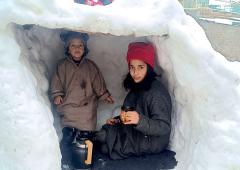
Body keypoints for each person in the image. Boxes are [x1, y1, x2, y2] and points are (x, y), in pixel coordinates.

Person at [96, 42, 172, 160]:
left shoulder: (156, 93)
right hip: (138, 132)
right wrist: (118, 120)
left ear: (149, 67)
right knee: (104, 133)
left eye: (140, 67)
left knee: (105, 145)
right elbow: (130, 114)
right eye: (132, 67)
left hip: (152, 141)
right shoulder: (138, 85)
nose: (135, 73)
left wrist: (139, 120)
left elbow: (164, 127)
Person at [50, 31, 114, 169]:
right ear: (68, 48)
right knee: (67, 137)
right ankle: (66, 161)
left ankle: (84, 161)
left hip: (86, 108)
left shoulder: (90, 66)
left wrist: (104, 94)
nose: (77, 48)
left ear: (85, 48)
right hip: (69, 107)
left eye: (80, 45)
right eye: (73, 45)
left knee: (86, 139)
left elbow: (98, 82)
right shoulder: (61, 66)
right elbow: (57, 82)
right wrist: (57, 95)